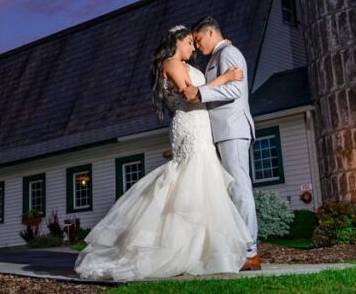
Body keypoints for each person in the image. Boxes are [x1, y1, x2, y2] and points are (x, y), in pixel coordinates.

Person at [74, 25, 253, 281]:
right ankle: (180, 250)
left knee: (202, 186)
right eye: (190, 42)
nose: (193, 48)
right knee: (191, 182)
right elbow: (191, 96)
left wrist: (221, 51)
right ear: (177, 41)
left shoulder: (183, 62)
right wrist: (225, 78)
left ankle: (201, 250)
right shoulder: (172, 63)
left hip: (200, 126)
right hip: (191, 126)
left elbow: (201, 88)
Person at [183, 16, 260, 270]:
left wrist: (201, 93)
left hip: (233, 129)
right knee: (232, 189)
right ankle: (240, 247)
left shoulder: (229, 53)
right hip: (222, 131)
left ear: (209, 32)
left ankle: (251, 251)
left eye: (198, 39)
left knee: (240, 187)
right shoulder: (219, 56)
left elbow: (234, 90)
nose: (197, 45)